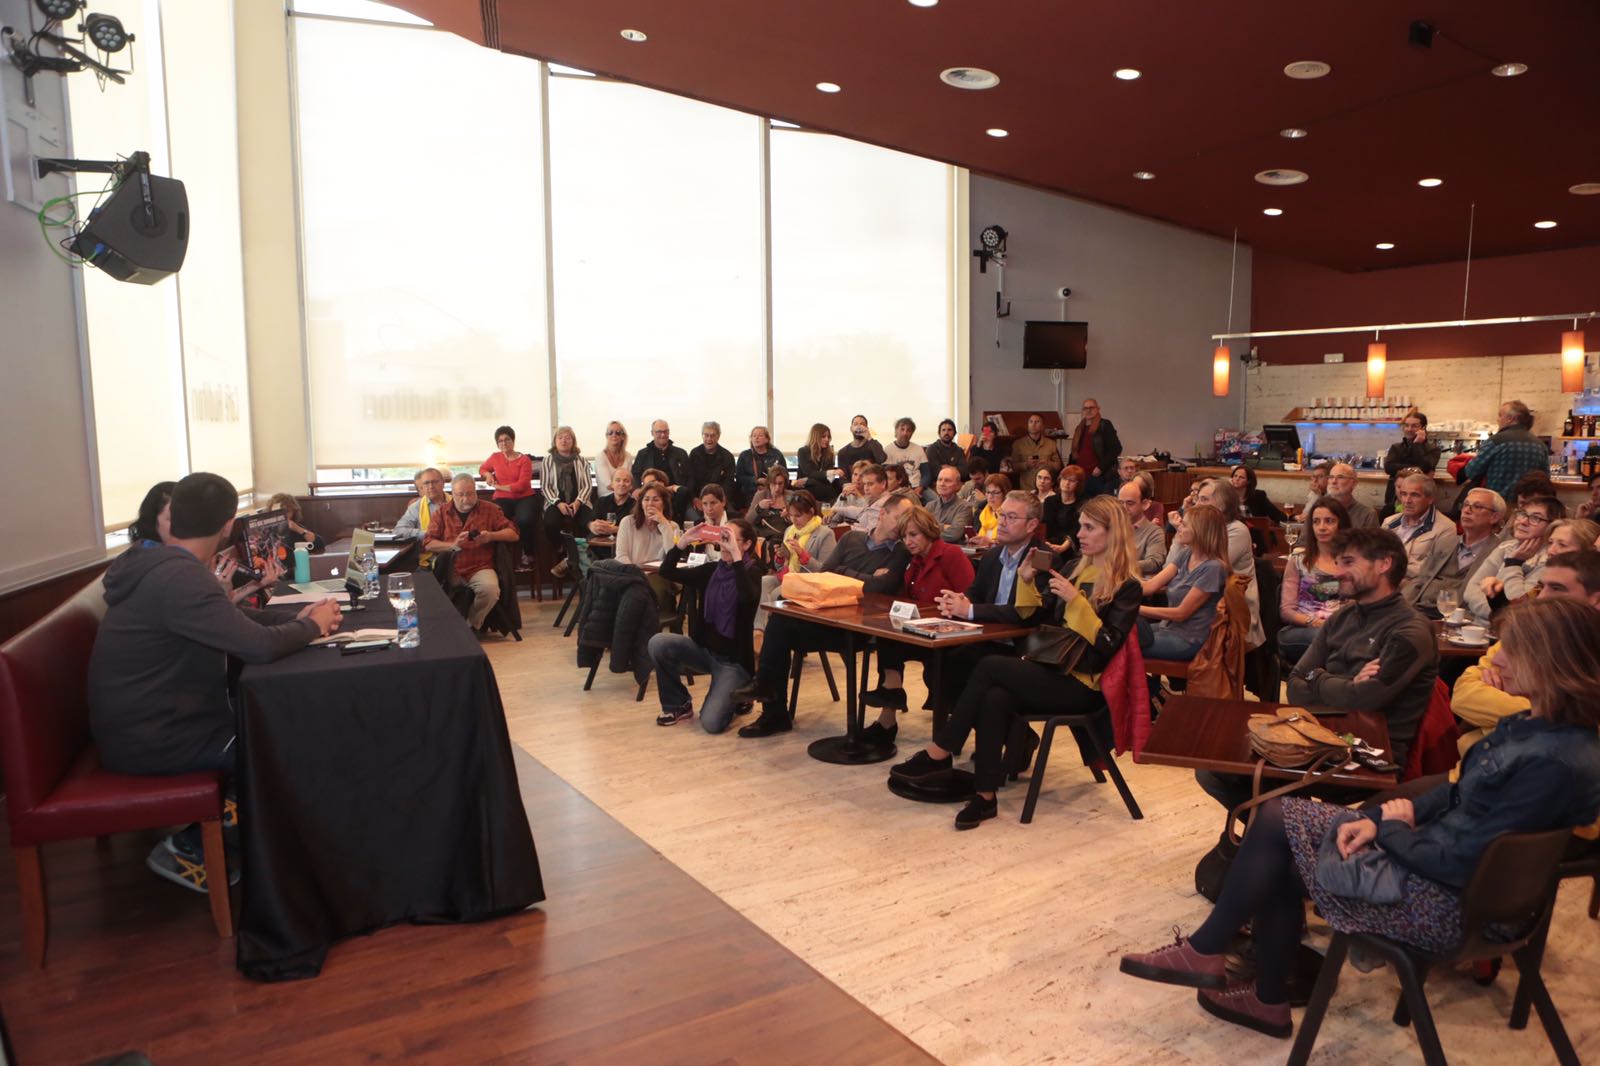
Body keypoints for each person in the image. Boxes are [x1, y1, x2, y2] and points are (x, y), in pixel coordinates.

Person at [1121, 595, 1600, 1041]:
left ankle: (1239, 976)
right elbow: (1458, 791)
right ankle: (1222, 962)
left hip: (1447, 908)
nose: (1496, 660)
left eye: (1510, 650)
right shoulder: (1541, 729)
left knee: (1276, 854)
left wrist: (1391, 830)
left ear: (1549, 662)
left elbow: (1459, 862)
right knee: (1275, 817)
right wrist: (1391, 815)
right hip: (1444, 874)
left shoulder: (1550, 763)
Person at [88, 473, 342, 892]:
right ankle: (189, 847)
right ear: (228, 526)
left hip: (143, 725)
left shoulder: (163, 566)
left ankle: (259, 841)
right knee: (289, 743)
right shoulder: (179, 578)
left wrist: (297, 619)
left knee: (283, 725)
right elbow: (256, 647)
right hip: (156, 738)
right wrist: (311, 627)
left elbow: (232, 621)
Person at [890, 495, 1143, 829]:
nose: (1080, 534)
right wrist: (1026, 582)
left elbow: (1108, 645)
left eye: (1089, 528)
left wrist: (1076, 602)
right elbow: (1040, 615)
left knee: (990, 666)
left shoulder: (1127, 586)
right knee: (994, 696)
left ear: (1112, 533)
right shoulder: (1074, 569)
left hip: (1083, 683)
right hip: (1053, 667)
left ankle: (942, 749)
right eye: (1081, 526)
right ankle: (985, 797)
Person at [863, 490, 1050, 727]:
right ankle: (894, 705)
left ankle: (949, 734)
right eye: (1001, 515)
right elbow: (973, 592)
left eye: (1010, 517)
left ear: (1032, 525)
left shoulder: (1043, 559)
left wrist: (966, 608)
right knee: (891, 639)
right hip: (973, 633)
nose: (1001, 522)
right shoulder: (993, 556)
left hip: (1017, 644)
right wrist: (957, 600)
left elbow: (1029, 613)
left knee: (946, 665)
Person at [733, 496, 915, 738]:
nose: (903, 525)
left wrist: (844, 573)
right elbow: (826, 573)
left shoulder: (901, 552)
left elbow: (880, 587)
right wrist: (864, 578)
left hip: (860, 628)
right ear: (882, 514)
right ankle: (773, 709)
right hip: (826, 619)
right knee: (780, 621)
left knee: (780, 624)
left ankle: (767, 692)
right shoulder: (851, 538)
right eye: (899, 518)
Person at [1453, 548, 1600, 753]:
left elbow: (1582, 724)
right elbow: (1463, 696)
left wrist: (1502, 704)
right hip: (1476, 758)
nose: (1542, 597)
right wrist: (1541, 704)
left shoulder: (1585, 648)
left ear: (1596, 600)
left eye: (1557, 588)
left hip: (1538, 763)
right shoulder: (1529, 632)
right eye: (1541, 586)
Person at [858, 507, 976, 739]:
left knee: (915, 654)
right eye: (904, 536)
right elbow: (906, 599)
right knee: (888, 636)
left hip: (950, 634)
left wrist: (954, 605)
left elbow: (971, 595)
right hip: (923, 630)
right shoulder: (913, 560)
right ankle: (890, 705)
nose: (908, 541)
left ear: (928, 531)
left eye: (913, 535)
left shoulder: (950, 554)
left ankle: (893, 703)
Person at [648, 519, 763, 732]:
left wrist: (735, 556)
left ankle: (739, 696)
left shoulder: (752, 573)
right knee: (659, 643)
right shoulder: (712, 571)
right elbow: (667, 572)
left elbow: (747, 597)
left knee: (711, 723)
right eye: (722, 537)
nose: (724, 544)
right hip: (704, 651)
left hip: (733, 662)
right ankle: (678, 704)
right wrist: (682, 543)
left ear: (747, 544)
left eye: (730, 539)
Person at [426, 473, 521, 629]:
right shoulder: (441, 513)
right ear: (452, 494)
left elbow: (514, 534)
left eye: (470, 494)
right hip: (451, 568)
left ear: (475, 491)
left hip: (480, 566)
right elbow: (428, 543)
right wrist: (452, 545)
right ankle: (447, 627)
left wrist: (491, 536)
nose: (466, 499)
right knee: (434, 591)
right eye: (460, 495)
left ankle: (469, 625)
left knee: (490, 590)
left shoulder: (490, 509)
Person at [1139, 504, 1229, 663]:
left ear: (1200, 531)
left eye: (1185, 525)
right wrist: (1117, 584)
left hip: (1189, 639)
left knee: (1124, 644)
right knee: (1119, 634)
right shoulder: (1187, 553)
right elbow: (1150, 586)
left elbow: (1181, 614)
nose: (1179, 528)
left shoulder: (1213, 568)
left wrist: (1136, 608)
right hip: (1169, 628)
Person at [1463, 494, 1564, 620]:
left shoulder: (1550, 559)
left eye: (1535, 518)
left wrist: (1513, 563)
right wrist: (1499, 614)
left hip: (1514, 628)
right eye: (1522, 514)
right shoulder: (1506, 547)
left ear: (1552, 526)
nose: (1523, 522)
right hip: (1483, 623)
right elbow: (1471, 591)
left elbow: (1519, 605)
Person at [1277, 496, 1351, 664]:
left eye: (1329, 521)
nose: (1322, 527)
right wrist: (1316, 622)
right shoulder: (1298, 560)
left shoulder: (1352, 562)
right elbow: (1287, 611)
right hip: (1302, 628)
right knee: (1326, 637)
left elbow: (1357, 604)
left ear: (1341, 524)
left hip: (1341, 629)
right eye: (1316, 522)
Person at [1406, 487, 1504, 613]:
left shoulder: (1500, 551)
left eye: (1477, 506)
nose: (1467, 511)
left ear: (1494, 517)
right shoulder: (1445, 543)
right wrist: (1403, 608)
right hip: (1421, 610)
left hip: (1464, 616)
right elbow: (1420, 581)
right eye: (1465, 505)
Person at [1196, 479, 1264, 651]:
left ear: (1223, 505)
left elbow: (1207, 568)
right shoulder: (1200, 530)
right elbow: (1171, 565)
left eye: (1204, 499)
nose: (1197, 505)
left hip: (1231, 613)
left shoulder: (1237, 530)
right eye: (1197, 499)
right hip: (1203, 606)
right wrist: (1180, 533)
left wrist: (1188, 533)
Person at [755, 490, 836, 632]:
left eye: (798, 515)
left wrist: (803, 555)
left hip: (808, 583)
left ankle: (771, 634)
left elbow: (826, 571)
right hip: (788, 576)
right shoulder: (790, 531)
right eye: (791, 515)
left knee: (775, 595)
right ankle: (759, 631)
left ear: (811, 512)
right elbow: (780, 567)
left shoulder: (825, 533)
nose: (794, 520)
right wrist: (780, 556)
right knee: (762, 582)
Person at [1380, 472, 1458, 595]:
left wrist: (1391, 567)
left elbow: (1434, 570)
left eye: (1415, 495)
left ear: (1430, 499)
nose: (1407, 500)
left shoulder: (1446, 528)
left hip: (1416, 590)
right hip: (1383, 583)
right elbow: (1376, 557)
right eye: (1403, 494)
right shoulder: (1389, 523)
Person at [1460, 399, 1549, 502]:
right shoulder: (1540, 445)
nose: (1498, 419)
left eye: (1500, 415)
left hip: (1497, 504)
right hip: (1526, 505)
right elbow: (1545, 478)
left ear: (1510, 419)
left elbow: (1471, 471)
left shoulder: (1496, 441)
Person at [479, 425, 539, 562]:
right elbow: (482, 468)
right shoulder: (495, 457)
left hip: (524, 497)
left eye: (507, 439)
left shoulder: (524, 460)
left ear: (513, 441)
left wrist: (498, 486)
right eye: (500, 441)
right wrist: (488, 474)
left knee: (525, 519)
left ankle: (527, 552)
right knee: (496, 520)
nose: (504, 443)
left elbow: (521, 486)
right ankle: (502, 554)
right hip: (502, 498)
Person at [540, 426, 594, 578]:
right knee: (550, 523)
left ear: (573, 441)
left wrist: (578, 502)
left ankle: (576, 559)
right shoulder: (547, 460)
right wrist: (558, 503)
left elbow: (587, 485)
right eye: (560, 438)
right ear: (555, 441)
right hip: (555, 502)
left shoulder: (581, 460)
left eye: (567, 437)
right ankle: (562, 550)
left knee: (589, 523)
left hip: (580, 502)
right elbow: (545, 486)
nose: (564, 440)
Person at [630, 420, 693, 518]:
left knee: (696, 518)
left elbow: (690, 477)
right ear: (652, 433)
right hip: (652, 497)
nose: (663, 435)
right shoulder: (643, 454)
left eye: (665, 431)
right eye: (659, 432)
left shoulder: (680, 453)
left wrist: (691, 496)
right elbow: (635, 473)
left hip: (677, 497)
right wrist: (637, 488)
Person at [1383, 411, 1440, 511]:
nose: (1409, 429)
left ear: (1423, 428)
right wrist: (1416, 468)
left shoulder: (1433, 449)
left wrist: (1416, 445)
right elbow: (1389, 468)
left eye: (1414, 426)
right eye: (1407, 425)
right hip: (1394, 497)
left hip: (1419, 498)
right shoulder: (1396, 447)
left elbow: (1425, 467)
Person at [615, 483, 681, 567]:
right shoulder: (627, 522)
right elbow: (621, 556)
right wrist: (634, 572)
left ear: (664, 504)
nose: (650, 503)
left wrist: (664, 523)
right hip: (632, 572)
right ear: (641, 503)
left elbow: (673, 557)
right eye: (646, 499)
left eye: (655, 500)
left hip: (659, 573)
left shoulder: (673, 526)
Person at [1068, 398, 1122, 496]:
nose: (1088, 410)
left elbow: (1116, 448)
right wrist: (1069, 470)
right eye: (1085, 408)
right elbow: (1074, 452)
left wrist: (1100, 467)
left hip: (1098, 476)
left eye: (1091, 407)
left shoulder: (1105, 425)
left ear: (1098, 409)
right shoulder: (1079, 428)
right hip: (1080, 476)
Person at [685, 421, 736, 520]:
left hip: (719, 499)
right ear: (702, 435)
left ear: (718, 436)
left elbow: (728, 483)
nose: (709, 439)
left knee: (731, 520)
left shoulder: (727, 456)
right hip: (697, 498)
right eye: (706, 435)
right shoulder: (694, 454)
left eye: (712, 435)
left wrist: (719, 501)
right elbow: (690, 480)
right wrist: (694, 498)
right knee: (696, 520)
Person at [1119, 479, 1167, 576]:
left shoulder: (1154, 532)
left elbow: (1154, 562)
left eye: (1130, 503)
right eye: (1120, 503)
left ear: (1145, 504)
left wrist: (1122, 566)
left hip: (1134, 581)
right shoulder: (1111, 527)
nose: (1123, 508)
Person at [394, 467, 447, 551]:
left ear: (443, 483)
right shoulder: (416, 507)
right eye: (426, 483)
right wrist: (426, 534)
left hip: (454, 551)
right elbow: (399, 530)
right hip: (428, 555)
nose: (431, 486)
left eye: (435, 482)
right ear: (422, 487)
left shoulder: (456, 502)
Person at [922, 464, 975, 543]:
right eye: (939, 480)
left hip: (953, 548)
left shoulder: (965, 507)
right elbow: (920, 529)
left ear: (958, 485)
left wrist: (931, 528)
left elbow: (954, 534)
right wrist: (944, 527)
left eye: (947, 480)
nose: (942, 484)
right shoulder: (930, 506)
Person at [829, 463, 890, 531]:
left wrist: (846, 528)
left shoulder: (882, 503)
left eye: (870, 484)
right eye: (865, 484)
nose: (866, 488)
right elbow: (861, 511)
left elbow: (871, 532)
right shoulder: (877, 499)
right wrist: (835, 509)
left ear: (883, 484)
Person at [746, 462, 796, 541]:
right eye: (774, 483)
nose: (777, 488)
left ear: (785, 483)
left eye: (780, 484)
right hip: (765, 538)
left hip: (787, 537)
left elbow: (801, 522)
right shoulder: (761, 495)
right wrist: (759, 508)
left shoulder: (791, 496)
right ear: (769, 483)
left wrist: (790, 516)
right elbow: (747, 522)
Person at [736, 425, 782, 508]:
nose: (756, 438)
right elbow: (739, 477)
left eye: (760, 435)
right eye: (754, 436)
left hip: (774, 491)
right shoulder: (744, 455)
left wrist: (770, 481)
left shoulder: (776, 455)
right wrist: (756, 480)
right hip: (750, 493)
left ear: (767, 439)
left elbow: (784, 474)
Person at [792, 423, 840, 503]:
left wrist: (807, 480)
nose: (827, 439)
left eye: (828, 437)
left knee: (829, 489)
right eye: (823, 436)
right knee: (828, 491)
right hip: (806, 489)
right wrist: (810, 480)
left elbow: (829, 479)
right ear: (815, 437)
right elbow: (809, 472)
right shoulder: (803, 451)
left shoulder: (829, 454)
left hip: (822, 487)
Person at [1041, 465, 1083, 554]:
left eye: (1072, 480)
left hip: (1071, 547)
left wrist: (1063, 547)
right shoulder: (1050, 501)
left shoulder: (1082, 504)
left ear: (1078, 484)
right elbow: (1046, 526)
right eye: (1064, 479)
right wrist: (1047, 544)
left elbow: (1077, 529)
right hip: (1049, 544)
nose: (1067, 483)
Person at [593, 421, 633, 511]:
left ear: (623, 436)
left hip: (626, 499)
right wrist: (623, 489)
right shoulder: (600, 457)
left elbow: (629, 481)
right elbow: (608, 484)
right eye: (610, 432)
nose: (614, 435)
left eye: (617, 433)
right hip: (606, 500)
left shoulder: (628, 456)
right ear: (606, 436)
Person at [1325, 463, 1378, 529]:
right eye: (1331, 477)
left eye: (1340, 477)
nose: (1333, 481)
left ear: (1354, 483)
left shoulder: (1367, 515)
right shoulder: (1319, 509)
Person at [588, 469, 637, 538]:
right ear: (612, 484)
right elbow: (590, 521)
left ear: (631, 486)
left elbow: (636, 529)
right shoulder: (601, 502)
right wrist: (592, 526)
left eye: (626, 481)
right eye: (618, 480)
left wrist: (614, 529)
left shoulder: (636, 505)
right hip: (599, 541)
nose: (622, 484)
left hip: (623, 541)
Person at [882, 417, 928, 490]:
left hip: (918, 486)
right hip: (897, 488)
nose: (905, 433)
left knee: (934, 497)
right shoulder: (887, 450)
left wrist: (920, 488)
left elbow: (927, 473)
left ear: (912, 433)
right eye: (902, 429)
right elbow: (886, 476)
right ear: (896, 431)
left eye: (908, 430)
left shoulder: (918, 449)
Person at [969, 473, 1012, 547]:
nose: (990, 496)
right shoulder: (980, 512)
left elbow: (1010, 545)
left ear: (1005, 493)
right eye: (988, 492)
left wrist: (991, 543)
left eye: (995, 493)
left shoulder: (1010, 516)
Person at [924, 418, 968, 486]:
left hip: (956, 484)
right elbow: (935, 473)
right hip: (937, 485)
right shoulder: (931, 449)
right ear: (939, 433)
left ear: (954, 433)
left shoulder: (959, 450)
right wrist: (954, 468)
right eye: (943, 430)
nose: (946, 433)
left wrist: (945, 467)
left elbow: (964, 472)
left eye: (949, 430)